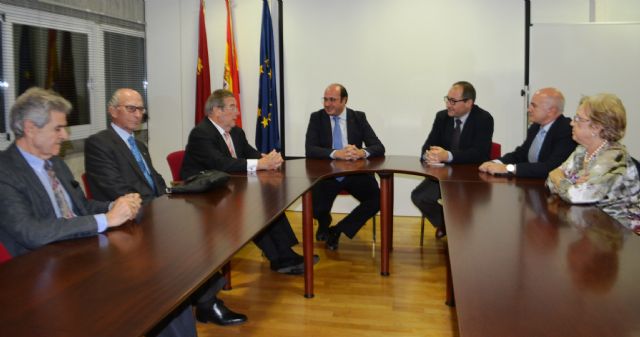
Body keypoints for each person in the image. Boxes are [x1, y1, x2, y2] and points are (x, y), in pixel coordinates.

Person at [0, 88, 195, 337]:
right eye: (58, 129)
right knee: (145, 293)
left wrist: (114, 206)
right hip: (41, 273)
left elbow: (81, 206)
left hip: (81, 252)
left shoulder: (55, 163)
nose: (65, 135)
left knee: (167, 290)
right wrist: (105, 219)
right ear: (30, 128)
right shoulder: (5, 171)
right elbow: (31, 232)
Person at [84, 88, 247, 327]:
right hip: (129, 220)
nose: (138, 114)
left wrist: (167, 200)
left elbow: (156, 179)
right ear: (112, 111)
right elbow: (114, 189)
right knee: (189, 245)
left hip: (156, 210)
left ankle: (205, 300)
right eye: (131, 109)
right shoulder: (99, 143)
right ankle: (206, 303)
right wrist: (158, 209)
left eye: (141, 109)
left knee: (204, 233)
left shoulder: (138, 144)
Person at [181, 89, 316, 274]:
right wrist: (261, 163)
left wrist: (269, 158)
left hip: (227, 187)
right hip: (204, 195)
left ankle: (284, 256)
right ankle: (281, 259)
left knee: (267, 204)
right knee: (254, 212)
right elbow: (221, 163)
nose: (237, 112)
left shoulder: (236, 132)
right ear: (217, 111)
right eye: (232, 107)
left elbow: (251, 155)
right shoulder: (201, 133)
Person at [305, 83, 385, 250]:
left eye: (332, 100)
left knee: (378, 199)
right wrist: (336, 153)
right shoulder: (317, 118)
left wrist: (362, 153)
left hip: (355, 173)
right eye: (325, 99)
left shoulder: (358, 117)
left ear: (344, 100)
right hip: (327, 175)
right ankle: (324, 221)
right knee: (314, 208)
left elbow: (378, 147)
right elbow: (310, 149)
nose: (327, 104)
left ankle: (339, 230)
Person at [546, 93, 640, 232]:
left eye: (578, 119)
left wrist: (564, 180)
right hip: (593, 225)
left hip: (619, 234)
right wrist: (570, 183)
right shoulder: (582, 151)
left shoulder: (613, 158)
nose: (572, 122)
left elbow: (576, 195)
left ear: (596, 127)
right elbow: (550, 180)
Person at [411, 81, 494, 239]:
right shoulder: (442, 117)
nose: (448, 104)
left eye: (453, 101)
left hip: (472, 176)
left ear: (469, 103)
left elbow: (479, 153)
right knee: (419, 196)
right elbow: (428, 145)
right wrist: (429, 155)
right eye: (447, 99)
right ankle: (447, 224)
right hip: (443, 175)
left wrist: (447, 155)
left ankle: (465, 232)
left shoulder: (484, 119)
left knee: (464, 204)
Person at [479, 87, 576, 177]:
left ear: (551, 111)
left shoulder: (566, 130)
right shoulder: (536, 126)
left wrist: (508, 168)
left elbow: (551, 167)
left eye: (534, 106)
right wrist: (496, 162)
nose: (529, 109)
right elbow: (521, 154)